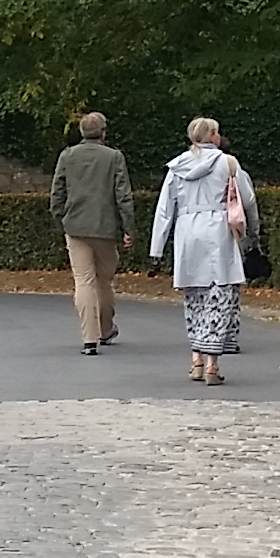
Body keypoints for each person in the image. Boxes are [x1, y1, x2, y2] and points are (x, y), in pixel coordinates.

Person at [150, 116, 257, 386]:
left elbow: (164, 210)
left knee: (194, 296)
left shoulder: (177, 166)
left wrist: (157, 248)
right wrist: (252, 232)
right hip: (218, 229)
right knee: (219, 295)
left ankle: (196, 358)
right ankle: (212, 364)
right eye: (217, 132)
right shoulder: (228, 163)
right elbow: (247, 199)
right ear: (210, 136)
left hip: (187, 231)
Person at [48, 111, 131, 354]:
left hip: (76, 226)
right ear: (103, 132)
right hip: (105, 227)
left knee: (83, 281)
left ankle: (89, 339)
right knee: (104, 280)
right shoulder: (114, 157)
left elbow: (57, 193)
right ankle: (105, 329)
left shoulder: (67, 156)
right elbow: (123, 195)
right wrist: (128, 227)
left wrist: (61, 220)